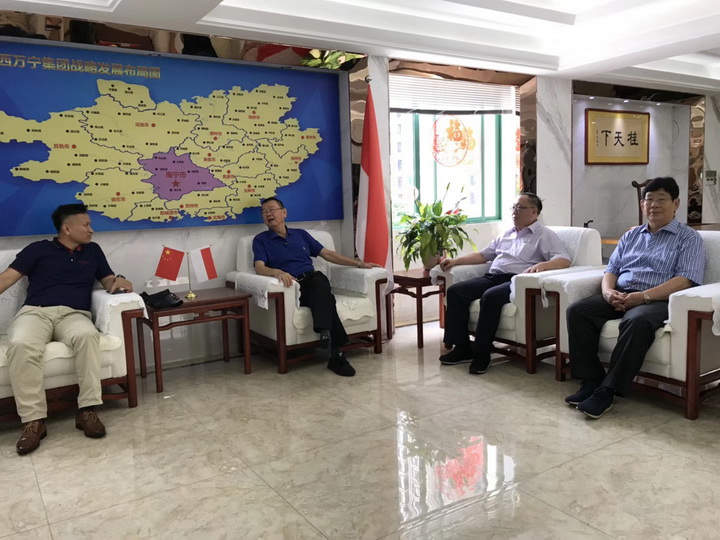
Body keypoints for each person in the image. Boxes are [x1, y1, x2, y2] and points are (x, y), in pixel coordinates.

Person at [565, 176, 705, 419]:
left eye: (662, 199)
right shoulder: (631, 236)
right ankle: (591, 380)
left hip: (660, 300)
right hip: (622, 294)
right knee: (578, 311)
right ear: (642, 204)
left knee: (637, 321)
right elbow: (612, 269)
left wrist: (644, 297)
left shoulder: (688, 237)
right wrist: (608, 293)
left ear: (676, 203)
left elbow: (685, 279)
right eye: (649, 200)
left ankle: (607, 391)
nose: (654, 205)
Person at [0, 203, 133, 455]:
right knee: (20, 343)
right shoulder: (37, 249)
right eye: (86, 225)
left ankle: (87, 410)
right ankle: (33, 421)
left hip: (74, 314)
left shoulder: (93, 251)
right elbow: (6, 278)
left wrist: (118, 282)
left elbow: (106, 279)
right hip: (36, 312)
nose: (91, 230)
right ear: (67, 228)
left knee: (88, 336)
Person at [439, 193, 571, 374]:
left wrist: (542, 265)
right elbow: (483, 255)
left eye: (520, 208)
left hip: (516, 281)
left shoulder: (544, 235)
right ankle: (463, 348)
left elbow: (564, 260)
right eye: (514, 207)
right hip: (493, 277)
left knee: (490, 297)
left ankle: (482, 353)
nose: (514, 212)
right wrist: (455, 261)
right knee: (456, 291)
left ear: (534, 212)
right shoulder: (507, 234)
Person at [252, 197, 380, 376]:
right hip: (294, 288)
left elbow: (327, 254)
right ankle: (334, 351)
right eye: (264, 212)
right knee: (326, 297)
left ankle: (327, 338)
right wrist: (277, 272)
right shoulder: (261, 240)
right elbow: (259, 266)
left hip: (314, 280)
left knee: (319, 283)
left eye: (272, 209)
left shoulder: (301, 235)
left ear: (284, 212)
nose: (268, 214)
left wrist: (359, 263)